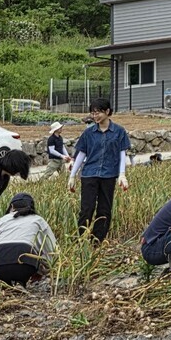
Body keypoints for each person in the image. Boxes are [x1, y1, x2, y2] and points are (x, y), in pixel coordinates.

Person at [68, 99, 131, 243]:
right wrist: (72, 176)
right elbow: (81, 154)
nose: (95, 116)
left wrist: (122, 174)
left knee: (104, 210)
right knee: (86, 209)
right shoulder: (88, 133)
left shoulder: (119, 131)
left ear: (107, 112)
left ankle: (96, 241)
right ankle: (80, 240)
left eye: (98, 112)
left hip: (109, 175)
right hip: (89, 174)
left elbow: (122, 153)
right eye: (93, 113)